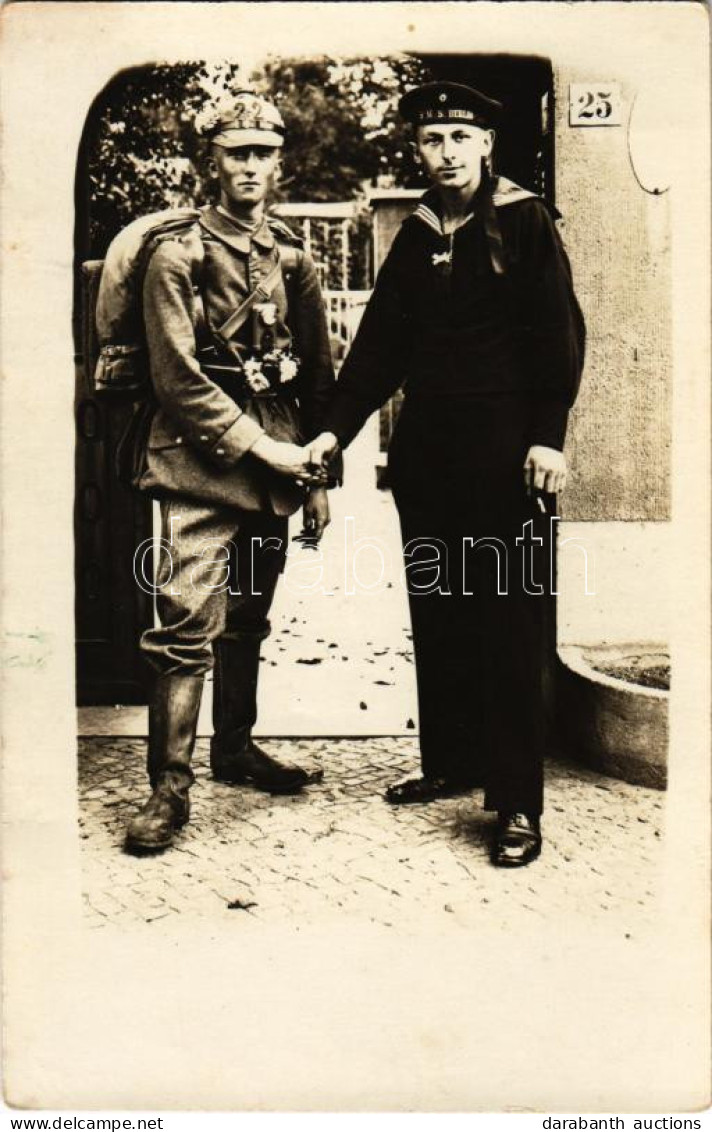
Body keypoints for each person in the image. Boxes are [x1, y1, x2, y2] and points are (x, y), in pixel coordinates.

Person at [310, 81, 585, 867]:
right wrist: (333, 429)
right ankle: (454, 763)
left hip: (507, 455)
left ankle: (517, 805)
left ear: (487, 146)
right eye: (434, 139)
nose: (448, 153)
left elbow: (560, 337)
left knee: (506, 619)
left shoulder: (526, 220)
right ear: (419, 151)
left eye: (461, 137)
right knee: (441, 610)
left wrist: (548, 436)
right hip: (428, 455)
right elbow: (377, 351)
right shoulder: (419, 232)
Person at [125, 91, 337, 854]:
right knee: (185, 627)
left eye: (262, 153)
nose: (250, 166)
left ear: (279, 161)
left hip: (277, 472)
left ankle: (235, 748)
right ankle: (167, 791)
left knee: (249, 619)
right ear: (209, 163)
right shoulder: (175, 256)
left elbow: (317, 375)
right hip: (196, 468)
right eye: (235, 152)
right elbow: (177, 379)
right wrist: (264, 447)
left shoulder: (292, 259)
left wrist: (314, 479)